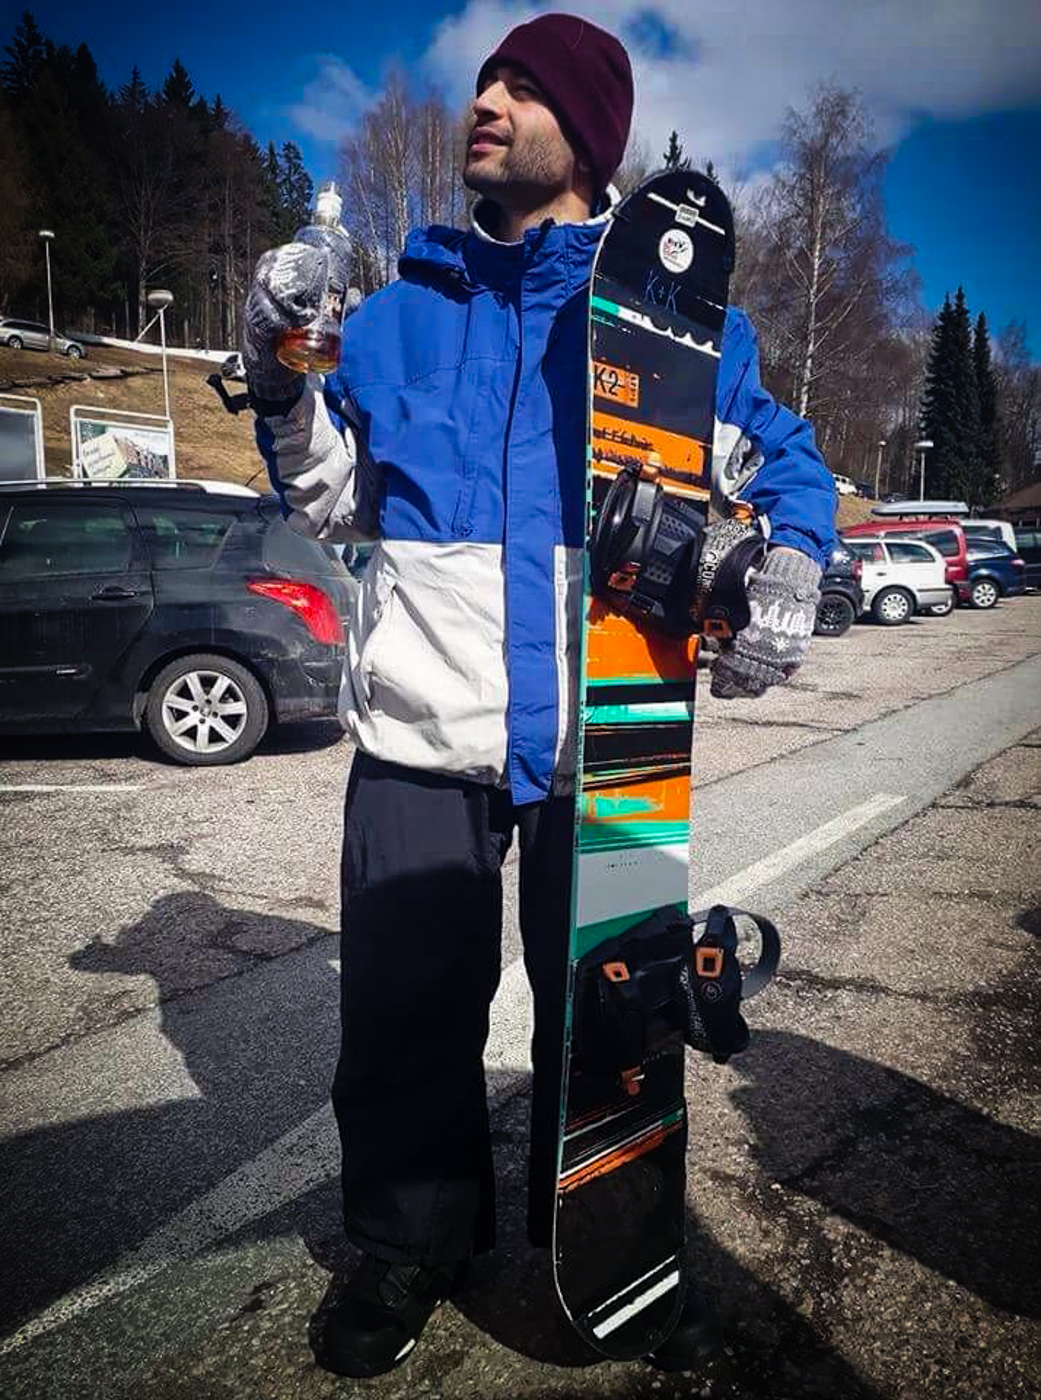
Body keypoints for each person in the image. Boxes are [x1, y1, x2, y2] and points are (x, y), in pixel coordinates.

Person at [243, 12, 836, 1380]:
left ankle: (623, 1237)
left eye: (524, 86)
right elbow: (328, 493)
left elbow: (788, 467)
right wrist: (280, 377)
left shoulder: (666, 335)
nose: (486, 102)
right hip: (419, 735)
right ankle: (408, 1244)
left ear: (592, 134)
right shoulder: (390, 322)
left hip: (600, 742)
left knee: (615, 1017)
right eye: (485, 79)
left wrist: (793, 562)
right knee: (401, 1014)